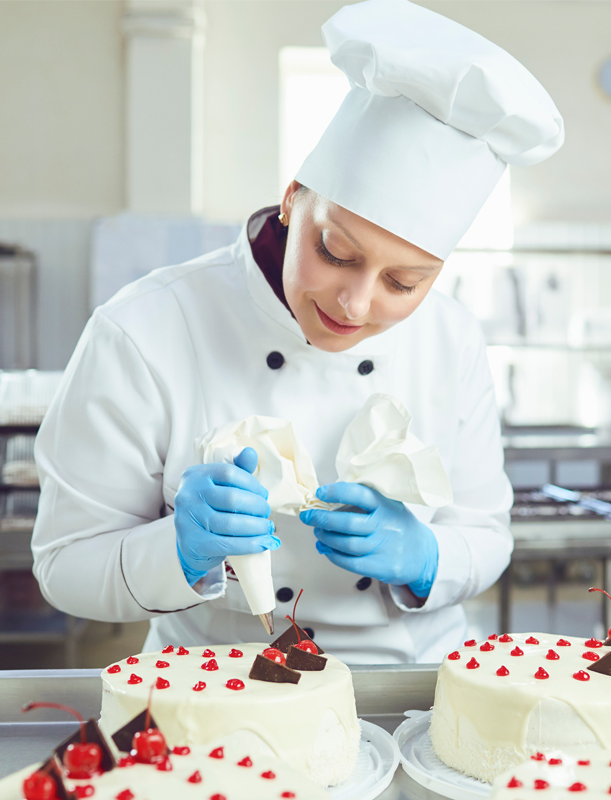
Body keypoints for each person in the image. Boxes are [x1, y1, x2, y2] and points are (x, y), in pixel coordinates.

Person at [31, 0, 563, 663]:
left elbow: (487, 535)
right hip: (216, 682)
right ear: (292, 198)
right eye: (336, 251)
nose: (356, 302)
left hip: (409, 682)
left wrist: (429, 557)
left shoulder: (450, 338)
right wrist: (175, 549)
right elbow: (64, 566)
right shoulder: (143, 329)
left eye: (404, 283)